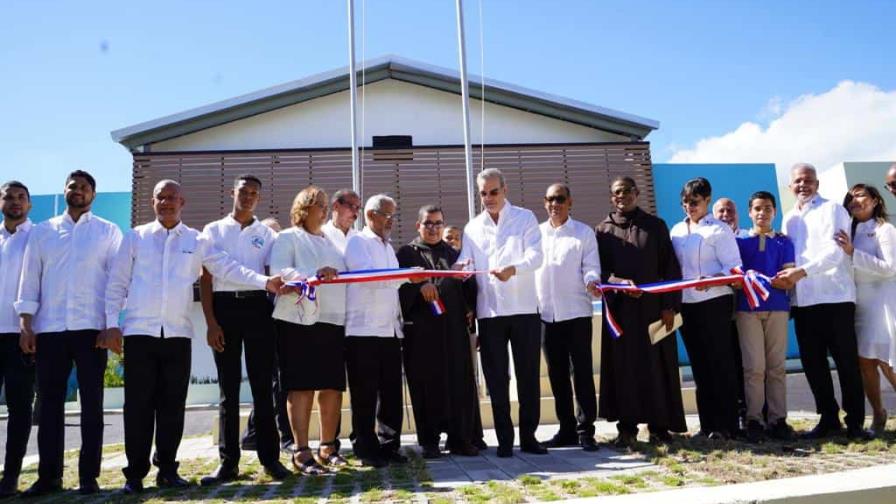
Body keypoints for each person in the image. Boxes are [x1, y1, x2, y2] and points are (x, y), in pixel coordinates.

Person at [103, 180, 285, 494]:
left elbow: (226, 268)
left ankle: (167, 470)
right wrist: (111, 324)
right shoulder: (135, 237)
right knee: (138, 406)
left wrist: (263, 281)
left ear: (182, 202)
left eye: (172, 198)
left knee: (173, 406)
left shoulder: (196, 240)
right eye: (161, 197)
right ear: (153, 201)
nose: (167, 202)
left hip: (177, 332)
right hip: (140, 332)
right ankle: (135, 474)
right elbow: (117, 282)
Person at [15, 170, 122, 496]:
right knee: (49, 405)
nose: (78, 191)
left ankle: (89, 477)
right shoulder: (43, 231)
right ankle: (49, 477)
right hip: (50, 329)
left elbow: (117, 282)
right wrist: (26, 324)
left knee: (92, 405)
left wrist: (111, 324)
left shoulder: (108, 231)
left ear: (93, 194)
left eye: (85, 187)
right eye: (73, 186)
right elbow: (29, 279)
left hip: (92, 330)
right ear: (65, 191)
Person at [198, 175, 288, 486]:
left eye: (253, 193)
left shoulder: (268, 234)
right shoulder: (213, 230)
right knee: (229, 390)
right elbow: (208, 277)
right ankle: (228, 463)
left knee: (263, 388)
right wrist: (211, 322)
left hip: (258, 309)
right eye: (243, 191)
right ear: (232, 193)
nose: (248, 197)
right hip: (224, 309)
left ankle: (270, 459)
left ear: (258, 198)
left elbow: (281, 272)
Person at [457, 168, 546, 458]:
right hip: (490, 313)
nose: (489, 198)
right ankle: (505, 441)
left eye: (494, 192)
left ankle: (529, 437)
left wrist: (513, 269)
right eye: (483, 193)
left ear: (505, 190)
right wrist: (456, 270)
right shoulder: (472, 227)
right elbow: (466, 264)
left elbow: (536, 256)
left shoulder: (525, 217)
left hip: (525, 310)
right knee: (496, 380)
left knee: (528, 376)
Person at [776, 163, 870, 440]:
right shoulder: (789, 218)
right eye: (798, 181)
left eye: (808, 180)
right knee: (813, 364)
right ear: (790, 186)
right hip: (804, 301)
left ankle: (855, 422)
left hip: (835, 296)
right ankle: (828, 418)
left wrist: (802, 272)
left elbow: (837, 252)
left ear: (817, 184)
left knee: (846, 363)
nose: (803, 185)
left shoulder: (833, 209)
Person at [596, 176, 687, 446]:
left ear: (636, 193)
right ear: (611, 196)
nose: (622, 196)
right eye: (617, 192)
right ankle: (627, 428)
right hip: (620, 313)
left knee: (656, 369)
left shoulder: (655, 226)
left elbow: (670, 267)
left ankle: (659, 427)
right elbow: (598, 271)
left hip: (654, 311)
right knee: (624, 370)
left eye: (627, 191)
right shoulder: (602, 230)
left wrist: (670, 305)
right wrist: (619, 283)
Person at [270, 186, 349, 474]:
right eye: (319, 205)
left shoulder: (333, 241)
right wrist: (311, 277)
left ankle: (328, 447)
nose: (325, 210)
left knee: (332, 386)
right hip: (297, 319)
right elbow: (280, 269)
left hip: (332, 319)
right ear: (304, 208)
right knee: (301, 386)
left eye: (326, 205)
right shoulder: (287, 237)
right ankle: (301, 451)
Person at [397, 205, 480, 459]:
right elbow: (396, 287)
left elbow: (471, 289)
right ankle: (429, 441)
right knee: (426, 385)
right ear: (418, 225)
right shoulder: (406, 254)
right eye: (428, 223)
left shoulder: (454, 254)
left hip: (453, 331)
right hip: (422, 334)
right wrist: (418, 288)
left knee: (458, 383)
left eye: (438, 223)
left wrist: (469, 304)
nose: (433, 228)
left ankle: (459, 439)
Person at [344, 194, 415, 467]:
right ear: (370, 215)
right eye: (387, 215)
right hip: (363, 330)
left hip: (389, 330)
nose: (391, 221)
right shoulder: (357, 242)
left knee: (391, 393)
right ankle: (365, 448)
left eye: (393, 215)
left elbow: (392, 285)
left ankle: (389, 445)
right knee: (365, 394)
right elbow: (368, 278)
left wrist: (406, 276)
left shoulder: (387, 246)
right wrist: (407, 275)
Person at [670, 177, 742, 440]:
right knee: (699, 366)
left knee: (720, 363)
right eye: (685, 202)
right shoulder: (677, 230)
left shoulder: (719, 230)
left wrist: (711, 280)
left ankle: (727, 425)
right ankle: (707, 425)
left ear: (707, 200)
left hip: (715, 302)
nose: (689, 207)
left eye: (695, 202)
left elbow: (734, 269)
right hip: (687, 305)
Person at [535, 183, 601, 451]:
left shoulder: (584, 233)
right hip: (546, 316)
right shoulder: (536, 234)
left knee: (582, 373)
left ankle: (586, 431)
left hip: (576, 313)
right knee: (557, 375)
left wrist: (592, 281)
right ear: (544, 202)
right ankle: (566, 430)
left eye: (560, 199)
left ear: (570, 202)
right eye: (550, 199)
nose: (555, 204)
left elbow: (591, 267)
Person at [734, 191, 796, 442]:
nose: (762, 213)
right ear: (750, 212)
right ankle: (754, 419)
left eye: (768, 208)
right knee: (754, 367)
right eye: (757, 208)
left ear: (775, 212)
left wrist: (777, 281)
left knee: (777, 367)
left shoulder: (784, 242)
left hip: (778, 309)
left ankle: (778, 419)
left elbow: (788, 278)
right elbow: (736, 278)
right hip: (747, 310)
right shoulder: (738, 242)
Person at [837, 184, 896, 435]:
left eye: (861, 195)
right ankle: (878, 414)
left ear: (875, 200)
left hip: (881, 301)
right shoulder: (847, 230)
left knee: (886, 360)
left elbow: (890, 267)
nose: (855, 200)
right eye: (851, 197)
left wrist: (854, 253)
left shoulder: (885, 229)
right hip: (856, 302)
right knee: (864, 362)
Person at [241, 215, 295, 454]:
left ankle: (261, 434)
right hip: (264, 327)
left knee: (279, 383)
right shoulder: (258, 270)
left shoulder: (282, 265)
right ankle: (264, 434)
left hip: (282, 328)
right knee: (270, 384)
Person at [0, 181, 34, 498]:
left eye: (21, 197)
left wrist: (30, 327)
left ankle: (10, 477)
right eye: (9, 197)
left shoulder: (38, 237)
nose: (15, 202)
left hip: (21, 336)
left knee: (20, 409)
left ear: (29, 204)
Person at [713, 196, 748, 428]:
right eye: (721, 211)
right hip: (721, 314)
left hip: (747, 313)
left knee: (748, 364)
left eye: (730, 211)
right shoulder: (710, 238)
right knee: (728, 363)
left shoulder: (747, 238)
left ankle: (751, 413)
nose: (726, 215)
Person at [322, 189, 361, 254]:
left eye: (358, 208)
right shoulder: (320, 235)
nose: (356, 213)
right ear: (336, 206)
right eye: (352, 206)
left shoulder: (360, 238)